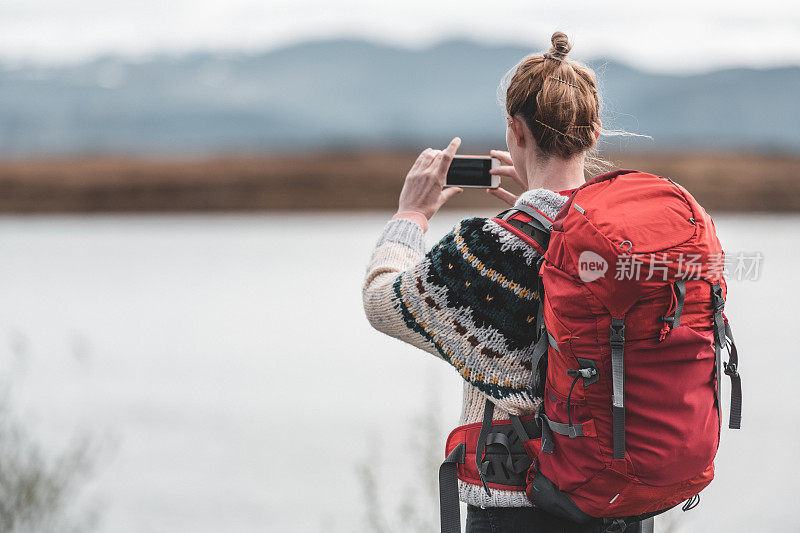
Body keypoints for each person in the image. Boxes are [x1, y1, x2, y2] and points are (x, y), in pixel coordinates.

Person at [362, 32, 639, 532]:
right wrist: (531, 207)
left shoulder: (489, 251)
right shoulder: (633, 235)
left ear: (515, 131)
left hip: (520, 505)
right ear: (594, 132)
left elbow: (383, 302)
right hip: (624, 501)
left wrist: (411, 214)